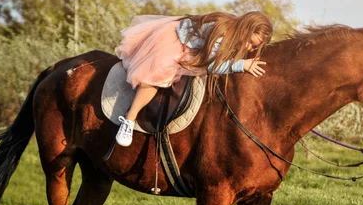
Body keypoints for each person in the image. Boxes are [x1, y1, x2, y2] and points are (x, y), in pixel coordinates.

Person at [114, 11, 273, 147]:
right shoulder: (222, 32)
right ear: (245, 29)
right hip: (177, 40)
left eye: (254, 47)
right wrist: (240, 65)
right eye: (250, 43)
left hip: (197, 48)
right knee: (160, 73)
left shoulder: (236, 36)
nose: (249, 48)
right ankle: (129, 119)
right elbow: (211, 65)